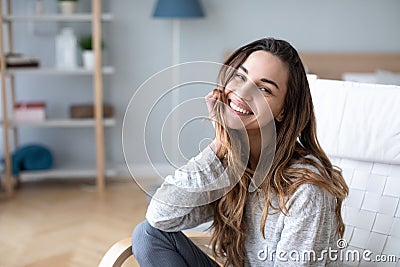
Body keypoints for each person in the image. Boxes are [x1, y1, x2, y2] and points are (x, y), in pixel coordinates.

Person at [132, 37, 348, 266]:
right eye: (240, 76)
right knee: (147, 235)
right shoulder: (230, 165)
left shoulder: (307, 189)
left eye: (264, 89)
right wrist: (220, 145)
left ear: (283, 111)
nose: (243, 92)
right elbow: (160, 216)